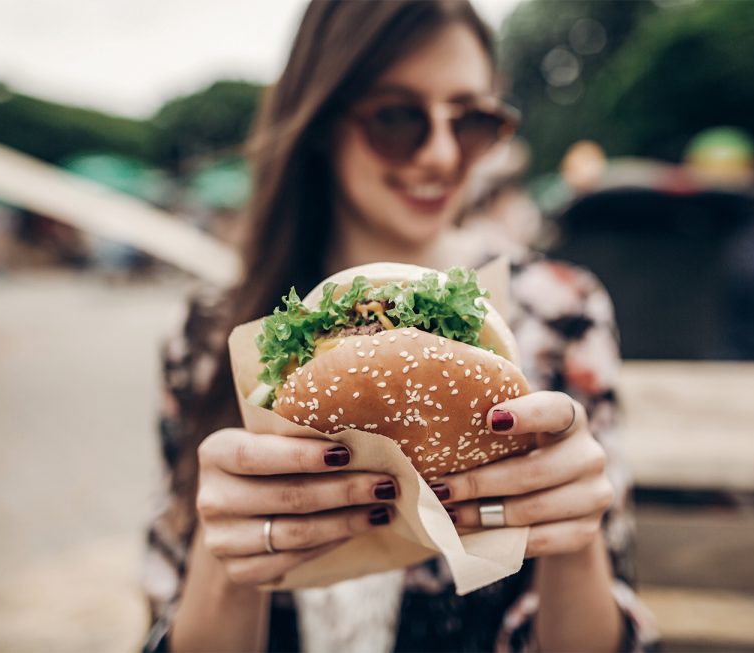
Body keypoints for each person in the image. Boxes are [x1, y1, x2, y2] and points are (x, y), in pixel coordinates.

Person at [142, 2, 659, 651]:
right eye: (396, 117)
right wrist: (227, 561)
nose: (442, 154)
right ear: (323, 122)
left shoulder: (560, 313)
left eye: (471, 121)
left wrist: (575, 540)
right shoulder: (207, 334)